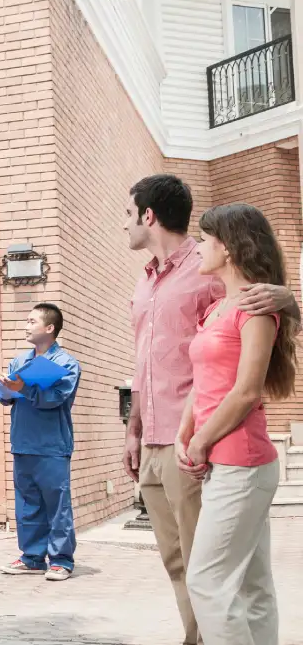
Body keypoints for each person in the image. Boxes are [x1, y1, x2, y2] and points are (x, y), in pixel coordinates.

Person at [122, 174, 297, 645]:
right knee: (187, 565)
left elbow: (249, 356)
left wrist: (290, 298)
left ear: (148, 215)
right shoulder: (147, 284)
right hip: (167, 436)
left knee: (213, 576)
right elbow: (148, 360)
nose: (125, 225)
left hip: (218, 446)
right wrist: (134, 426)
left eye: (127, 213)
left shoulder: (210, 276)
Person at [179, 203, 294, 645]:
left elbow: (246, 392)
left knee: (207, 582)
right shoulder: (216, 309)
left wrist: (202, 441)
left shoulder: (257, 307)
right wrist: (184, 431)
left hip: (242, 464)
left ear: (226, 248)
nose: (199, 248)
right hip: (224, 464)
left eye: (205, 240)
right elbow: (204, 382)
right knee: (249, 584)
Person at [0, 303, 81, 581]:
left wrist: (25, 388)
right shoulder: (19, 362)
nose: (26, 325)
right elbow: (6, 399)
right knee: (28, 504)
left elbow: (56, 399)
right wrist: (6, 390)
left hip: (52, 445)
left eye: (32, 321)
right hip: (23, 443)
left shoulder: (66, 364)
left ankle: (61, 560)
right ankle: (32, 557)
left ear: (49, 328)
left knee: (57, 505)